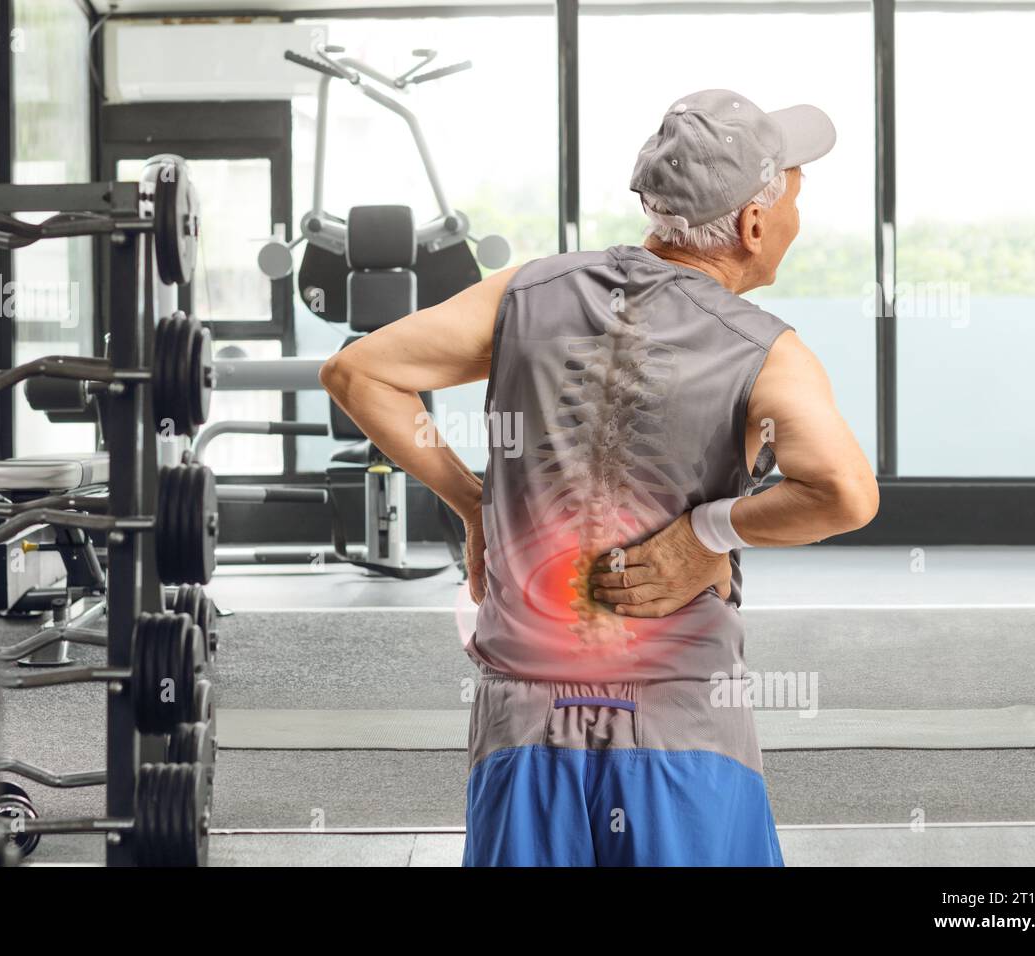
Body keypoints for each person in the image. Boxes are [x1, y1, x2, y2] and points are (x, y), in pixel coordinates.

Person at [321, 89, 878, 866]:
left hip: (523, 726)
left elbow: (358, 372)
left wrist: (472, 501)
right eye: (793, 200)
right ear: (754, 225)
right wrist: (705, 532)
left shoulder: (527, 294)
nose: (795, 220)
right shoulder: (765, 350)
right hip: (680, 731)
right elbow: (845, 494)